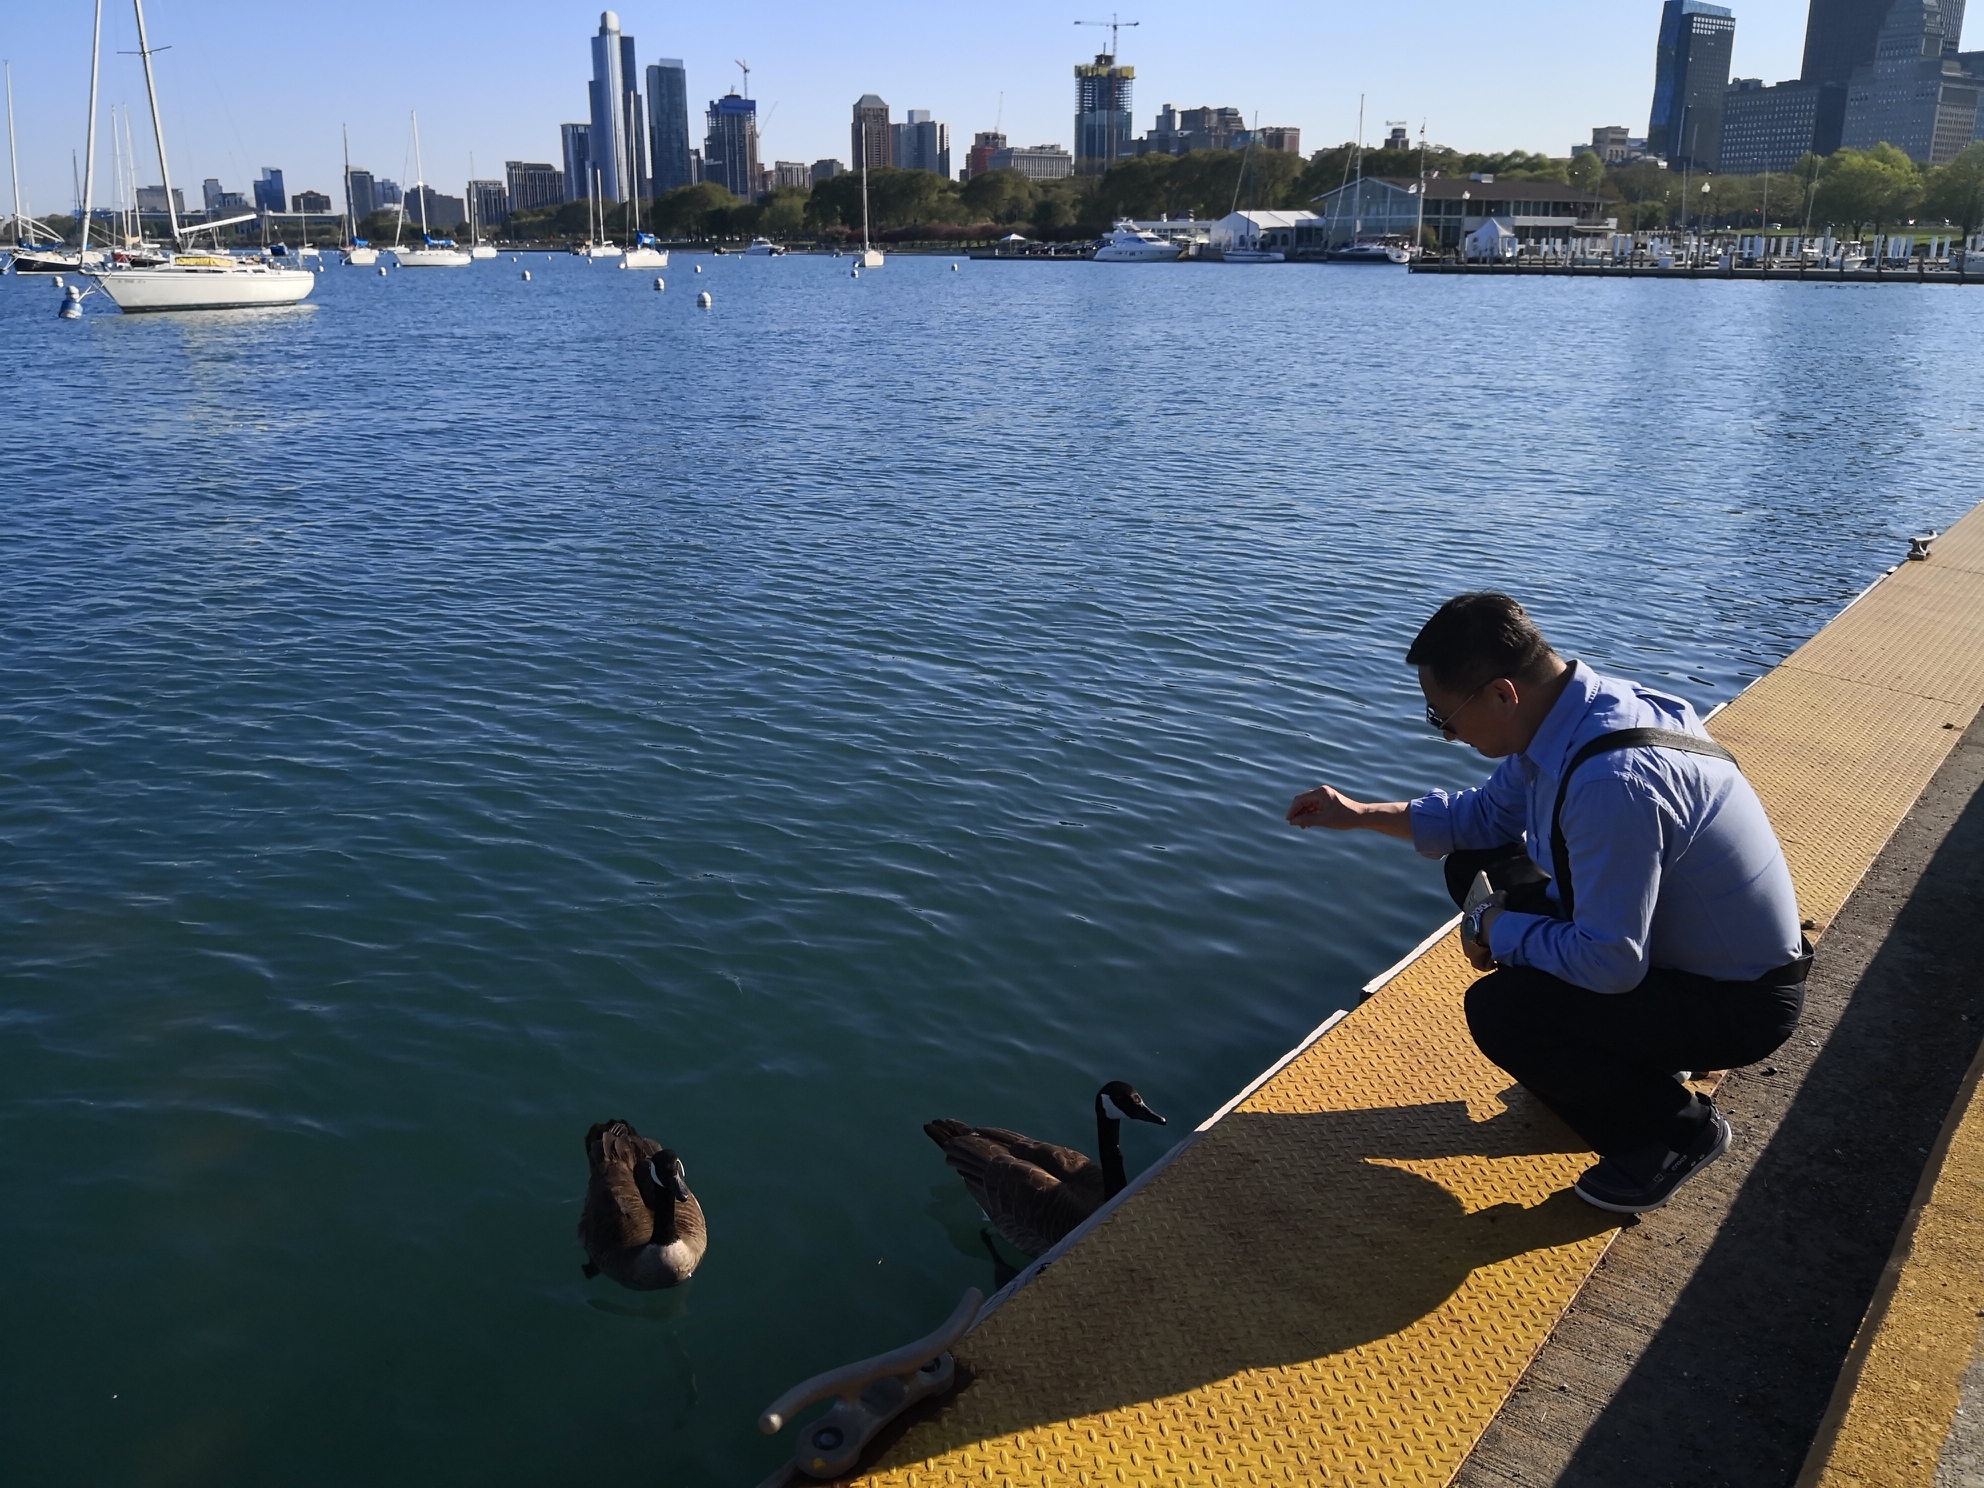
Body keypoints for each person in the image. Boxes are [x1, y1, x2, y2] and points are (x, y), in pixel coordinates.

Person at [1286, 593, 1808, 1214]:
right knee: (1475, 864)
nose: (1447, 736)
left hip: (1738, 1001)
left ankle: (1674, 1133)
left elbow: (1612, 962)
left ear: (1502, 694)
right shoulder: (1578, 715)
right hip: (1687, 961)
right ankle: (1614, 1060)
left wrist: (1497, 930)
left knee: (1504, 1013)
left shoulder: (1613, 781)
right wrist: (1358, 815)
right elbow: (1481, 818)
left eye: (1443, 718)